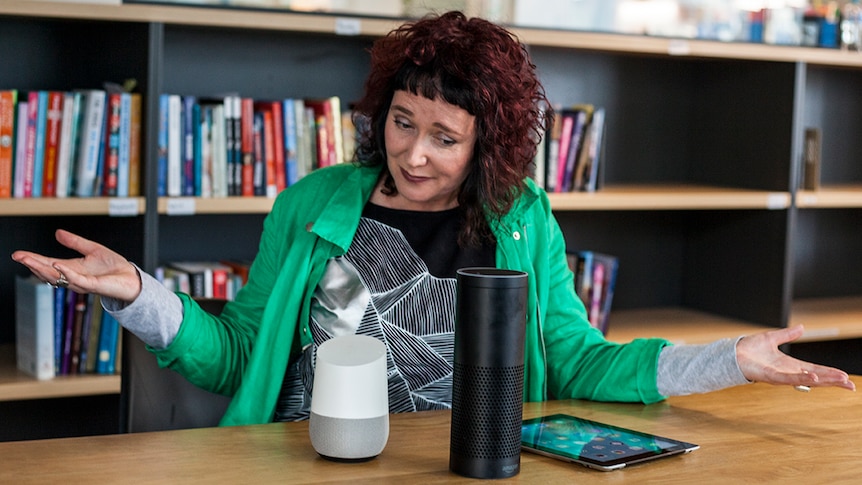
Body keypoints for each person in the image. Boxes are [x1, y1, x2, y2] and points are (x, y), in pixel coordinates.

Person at [12, 12, 854, 426]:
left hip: (473, 469)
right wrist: (135, 293)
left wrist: (726, 359)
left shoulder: (521, 218)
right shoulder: (314, 203)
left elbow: (580, 360)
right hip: (316, 460)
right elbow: (235, 354)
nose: (413, 153)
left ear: (488, 146)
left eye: (445, 137)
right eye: (402, 121)